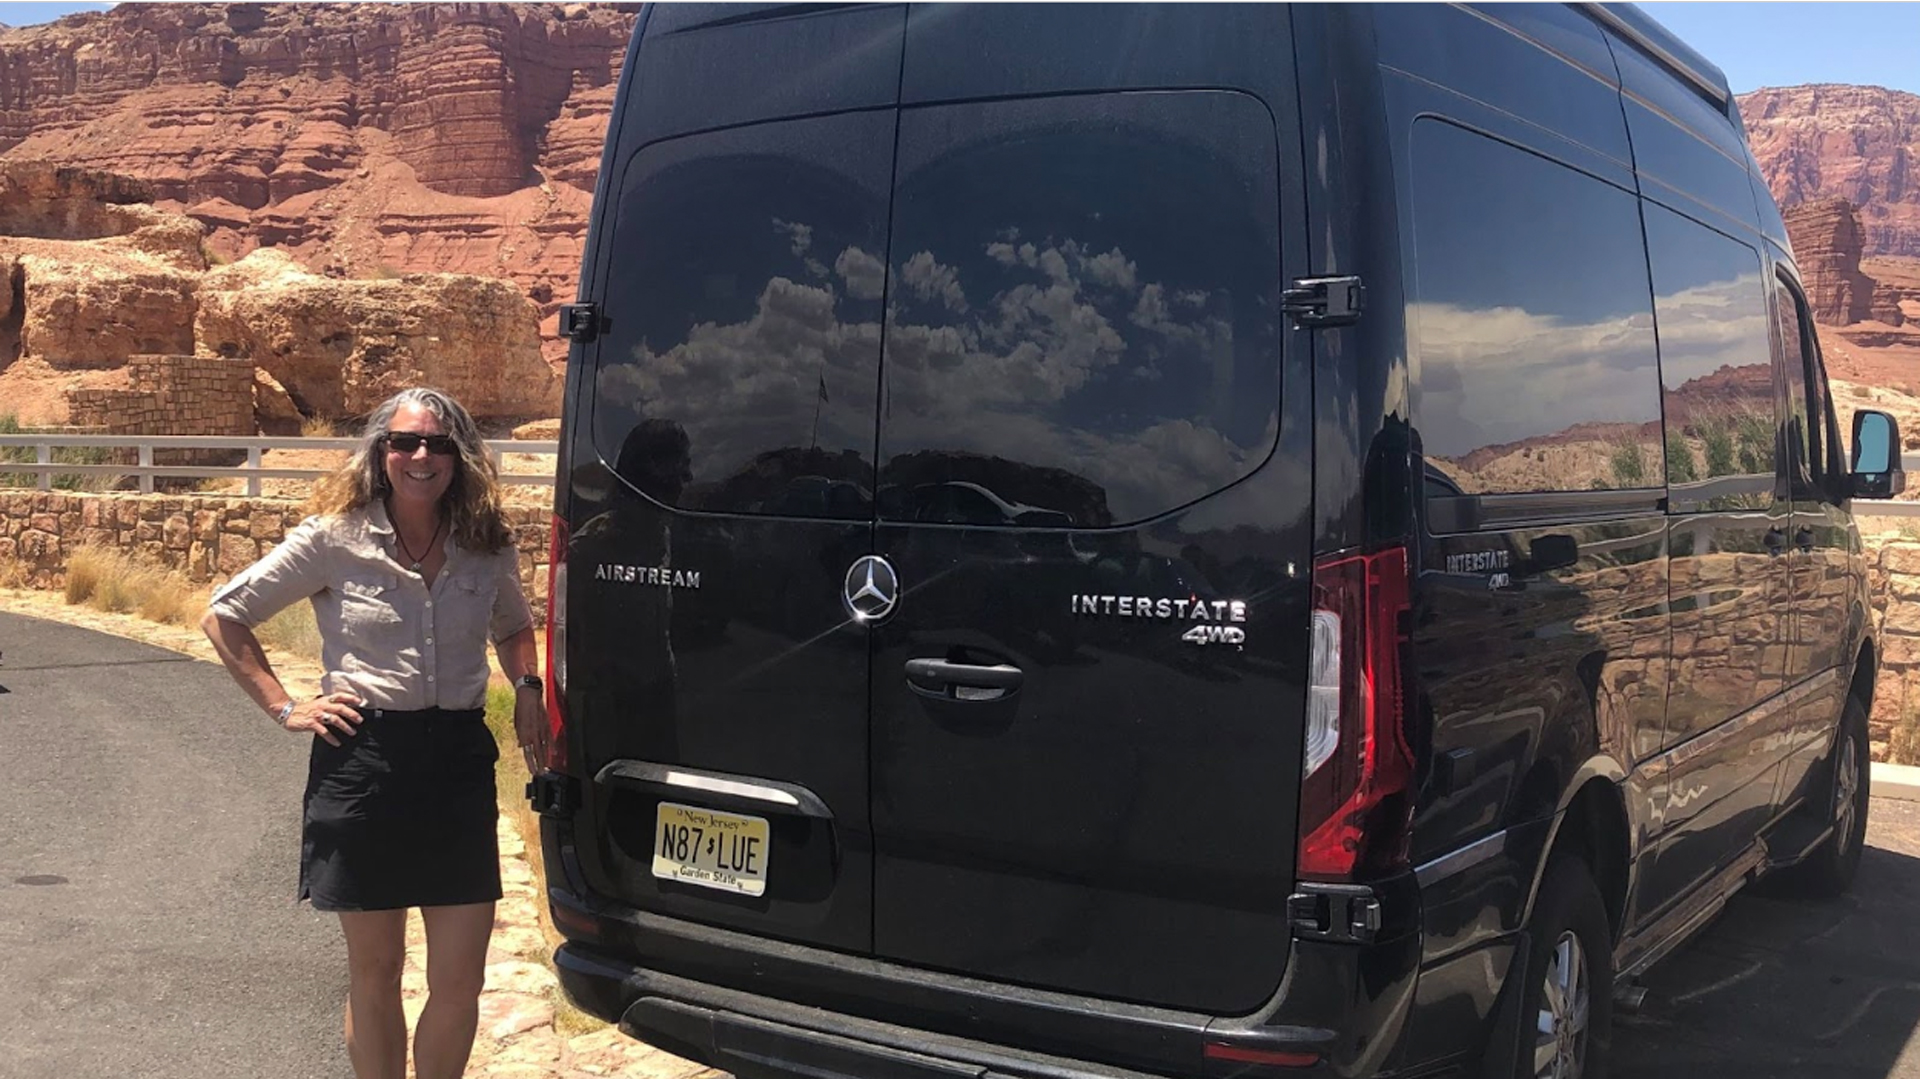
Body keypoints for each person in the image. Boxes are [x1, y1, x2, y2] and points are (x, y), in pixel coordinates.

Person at [200, 387, 544, 1080]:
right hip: (365, 762)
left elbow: (512, 627)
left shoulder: (486, 544)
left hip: (457, 763)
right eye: (406, 442)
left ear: (462, 456)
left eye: (439, 444)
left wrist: (528, 686)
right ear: (381, 451)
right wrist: (285, 707)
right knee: (377, 971)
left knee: (459, 979)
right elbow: (225, 615)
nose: (422, 457)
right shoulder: (335, 538)